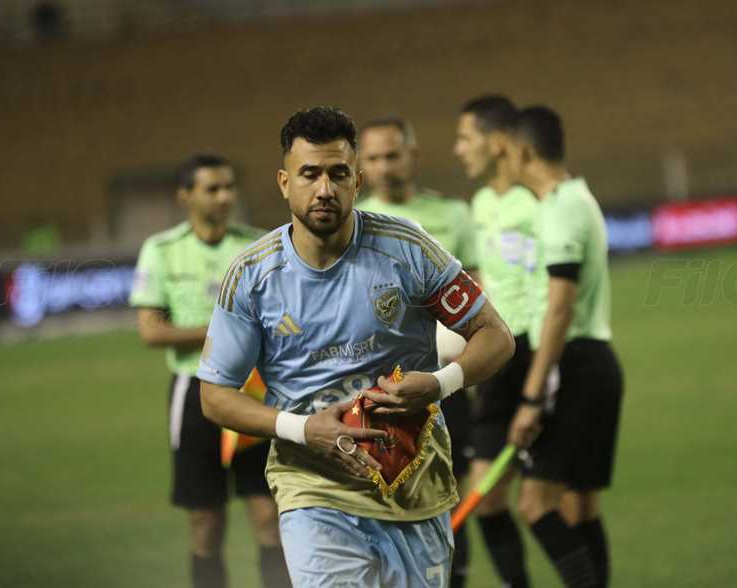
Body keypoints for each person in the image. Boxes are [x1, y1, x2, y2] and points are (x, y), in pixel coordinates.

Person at [196, 106, 515, 587]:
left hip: (412, 485)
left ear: (357, 181)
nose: (324, 189)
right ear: (285, 182)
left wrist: (439, 384)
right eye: (310, 174)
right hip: (313, 489)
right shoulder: (252, 276)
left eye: (338, 173)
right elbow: (215, 395)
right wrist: (304, 429)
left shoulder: (407, 249)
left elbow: (496, 336)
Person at [129, 154, 288, 588]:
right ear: (185, 197)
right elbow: (151, 330)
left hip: (255, 391)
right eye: (212, 189)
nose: (224, 197)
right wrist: (226, 330)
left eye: (229, 187)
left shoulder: (260, 246)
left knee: (269, 515)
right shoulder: (162, 250)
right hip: (194, 393)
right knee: (205, 521)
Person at [355, 116, 478, 587]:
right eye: (374, 158)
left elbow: (477, 296)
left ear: (413, 156)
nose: (385, 167)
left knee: (450, 489)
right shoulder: (355, 222)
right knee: (382, 495)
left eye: (393, 155)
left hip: (444, 379)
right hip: (379, 388)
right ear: (362, 165)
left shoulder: (455, 215)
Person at [506, 106, 624, 588]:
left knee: (535, 504)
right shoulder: (576, 199)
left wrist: (531, 397)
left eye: (507, 154)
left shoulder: (559, 209)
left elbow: (559, 309)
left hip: (574, 366)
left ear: (524, 152)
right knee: (580, 506)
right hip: (594, 363)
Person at [453, 95, 538, 588]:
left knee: (554, 503)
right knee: (486, 498)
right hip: (497, 362)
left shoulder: (537, 202)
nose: (459, 149)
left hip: (538, 357)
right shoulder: (481, 205)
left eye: (466, 137)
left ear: (498, 141)